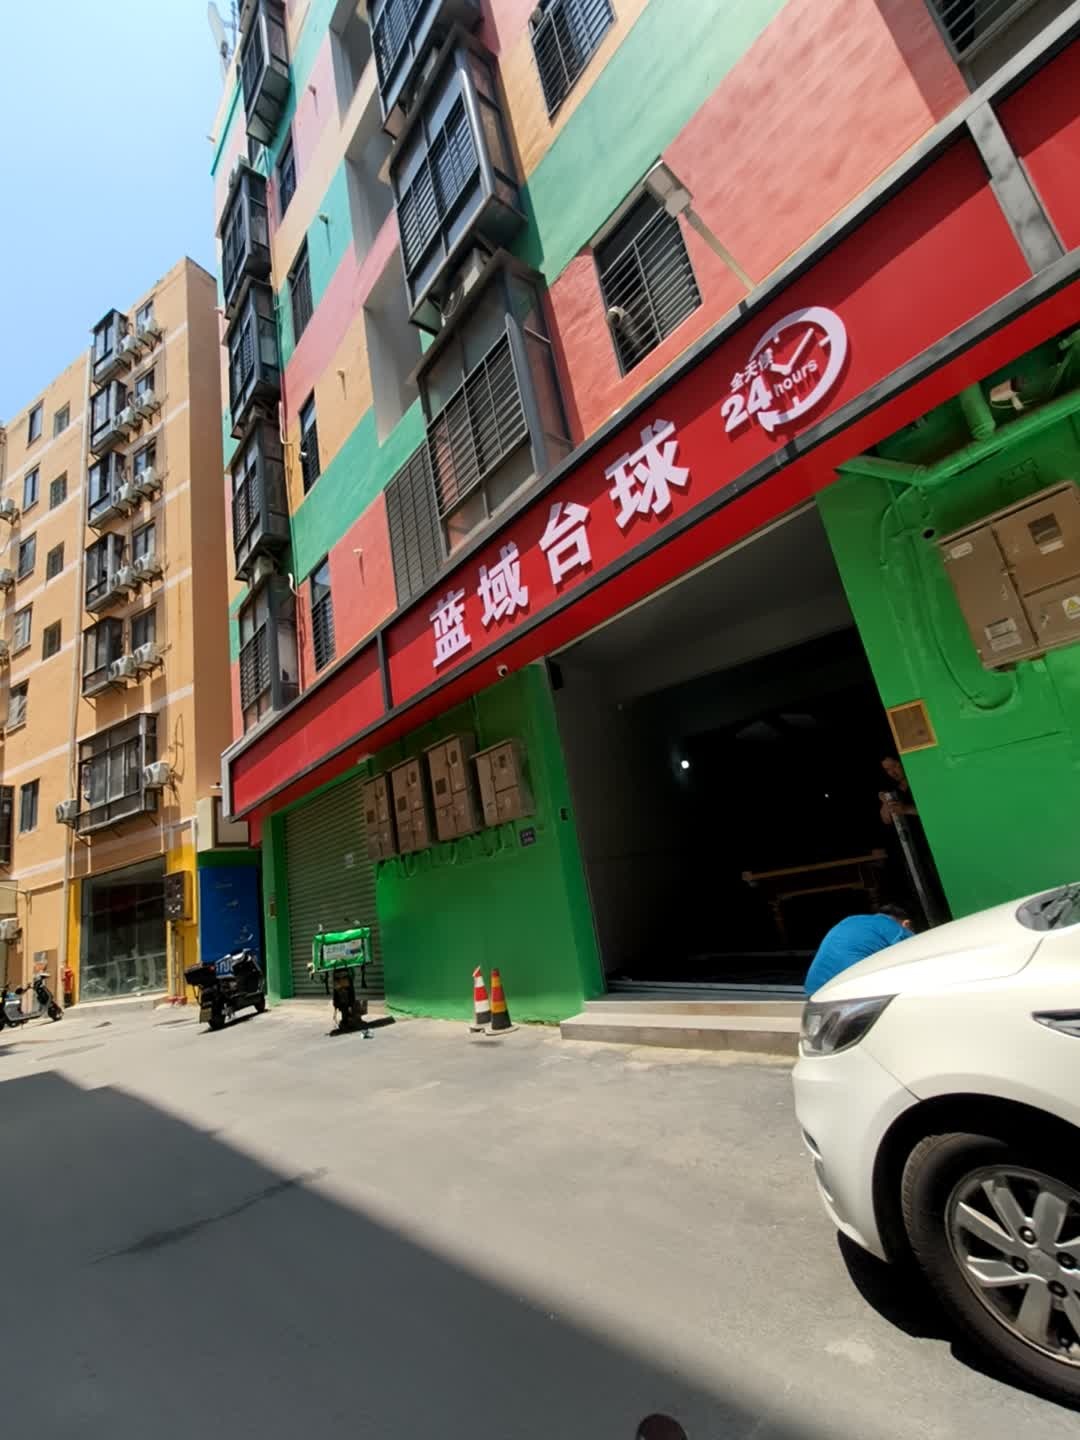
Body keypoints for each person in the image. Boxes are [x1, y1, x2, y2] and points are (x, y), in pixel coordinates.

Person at [804, 904, 913, 995]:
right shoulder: (895, 928)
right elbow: (915, 953)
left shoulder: (849, 920)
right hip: (849, 992)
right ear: (906, 924)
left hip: (813, 991)